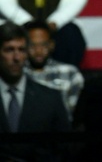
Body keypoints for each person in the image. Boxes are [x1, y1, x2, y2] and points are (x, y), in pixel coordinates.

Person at [0, 21, 71, 161]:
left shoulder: (50, 98)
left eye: (22, 50)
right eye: (9, 50)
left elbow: (64, 149)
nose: (16, 58)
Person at [23, 19, 85, 122]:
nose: (38, 51)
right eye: (32, 45)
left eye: (43, 45)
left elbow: (76, 116)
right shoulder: (17, 73)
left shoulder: (70, 73)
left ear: (52, 45)